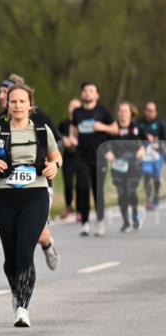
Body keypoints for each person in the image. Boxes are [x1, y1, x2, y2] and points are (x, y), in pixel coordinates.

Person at [0, 84, 62, 327]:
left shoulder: (43, 131)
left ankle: (23, 307)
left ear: (30, 105)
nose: (17, 105)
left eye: (22, 101)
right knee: (11, 259)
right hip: (5, 197)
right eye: (13, 101)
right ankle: (16, 290)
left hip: (36, 195)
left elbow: (56, 157)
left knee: (25, 251)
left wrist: (54, 166)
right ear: (8, 105)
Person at [0, 75, 61, 270]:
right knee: (18, 240)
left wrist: (51, 163)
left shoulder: (40, 119)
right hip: (10, 189)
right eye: (4, 94)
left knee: (38, 234)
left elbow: (57, 144)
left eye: (19, 99)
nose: (4, 97)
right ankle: (19, 274)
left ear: (28, 102)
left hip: (39, 186)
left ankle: (47, 245)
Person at [70, 81, 117, 236]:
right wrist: (72, 137)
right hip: (81, 155)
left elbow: (115, 128)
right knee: (82, 187)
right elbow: (73, 127)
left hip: (99, 155)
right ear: (82, 94)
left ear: (97, 94)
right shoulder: (77, 112)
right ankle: (84, 222)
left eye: (91, 90)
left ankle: (100, 221)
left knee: (98, 189)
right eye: (85, 90)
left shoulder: (103, 111)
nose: (88, 93)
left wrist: (102, 127)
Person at [106, 102, 144, 232]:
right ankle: (126, 221)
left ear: (130, 113)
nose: (123, 113)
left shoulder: (137, 128)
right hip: (118, 164)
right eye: (120, 111)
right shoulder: (113, 128)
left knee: (130, 190)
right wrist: (108, 152)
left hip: (134, 164)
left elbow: (147, 142)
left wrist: (142, 149)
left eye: (125, 111)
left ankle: (135, 214)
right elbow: (105, 143)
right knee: (121, 192)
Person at [137, 100, 165, 210]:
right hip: (146, 154)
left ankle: (156, 196)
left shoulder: (160, 123)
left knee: (156, 178)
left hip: (158, 154)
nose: (151, 113)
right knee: (147, 175)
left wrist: (157, 141)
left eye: (153, 111)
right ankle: (149, 199)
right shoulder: (139, 124)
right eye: (149, 110)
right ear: (145, 111)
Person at [57, 99, 80, 219]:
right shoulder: (64, 123)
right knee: (68, 183)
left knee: (81, 184)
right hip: (68, 156)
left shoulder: (84, 123)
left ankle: (81, 209)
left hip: (81, 157)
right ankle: (68, 206)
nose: (74, 109)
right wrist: (64, 140)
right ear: (69, 108)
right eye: (72, 106)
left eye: (77, 107)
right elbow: (56, 136)